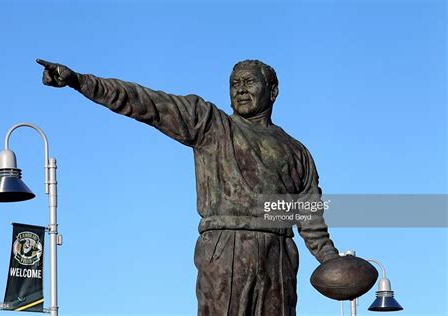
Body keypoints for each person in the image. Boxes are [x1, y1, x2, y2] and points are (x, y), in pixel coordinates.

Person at [37, 58, 339, 316]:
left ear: (272, 91)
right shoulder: (211, 124)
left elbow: (310, 217)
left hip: (279, 256)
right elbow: (147, 103)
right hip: (226, 249)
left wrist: (332, 262)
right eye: (234, 84)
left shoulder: (297, 151)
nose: (241, 90)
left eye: (249, 82)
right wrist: (81, 81)